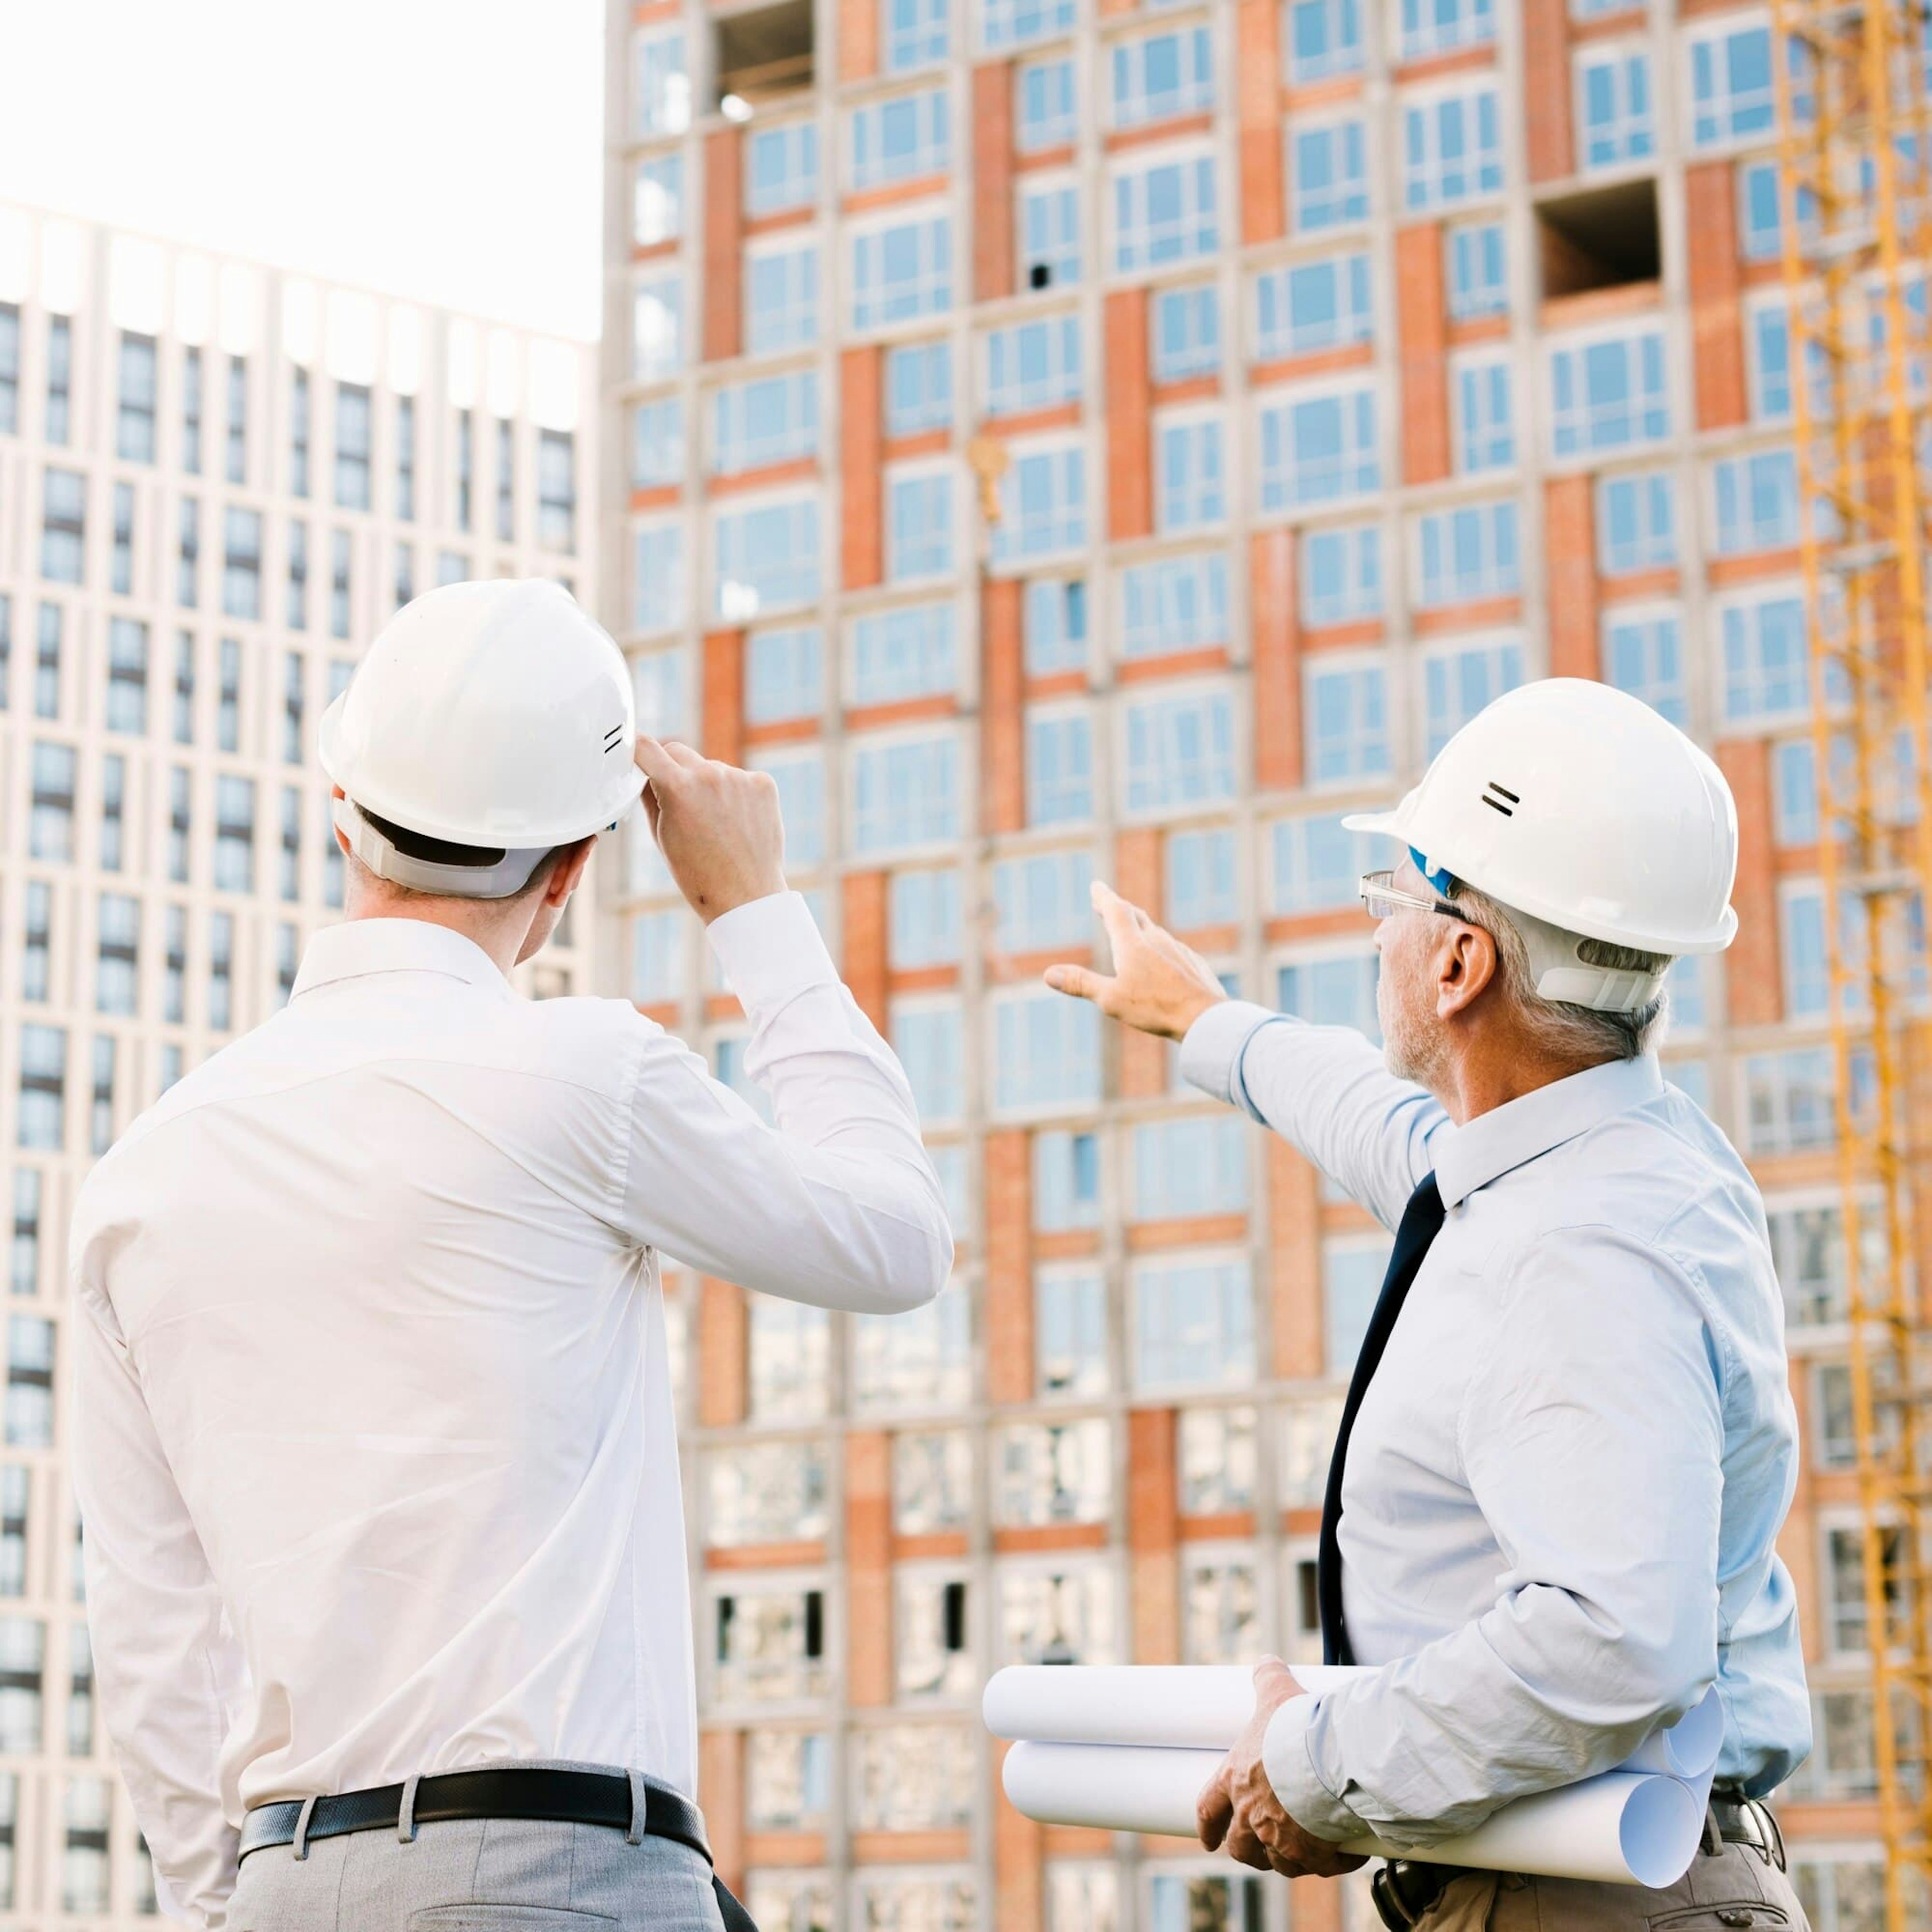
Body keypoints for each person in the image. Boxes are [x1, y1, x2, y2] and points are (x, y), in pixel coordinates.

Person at [70, 580, 953, 1932]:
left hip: (280, 1890)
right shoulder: (581, 1079)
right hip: (559, 1871)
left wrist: (228, 1905)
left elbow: (150, 1629)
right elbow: (895, 1241)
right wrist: (755, 909)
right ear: (572, 869)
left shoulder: (141, 1175)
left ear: (339, 809)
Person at [1045, 679, 1812, 1931]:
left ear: (1460, 962)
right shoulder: (1586, 1164)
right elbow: (1391, 1129)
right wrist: (1208, 1023)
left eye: (1395, 901)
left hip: (1596, 1896)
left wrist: (1313, 1765)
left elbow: (1611, 1636)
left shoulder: (1584, 1245)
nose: (1381, 932)